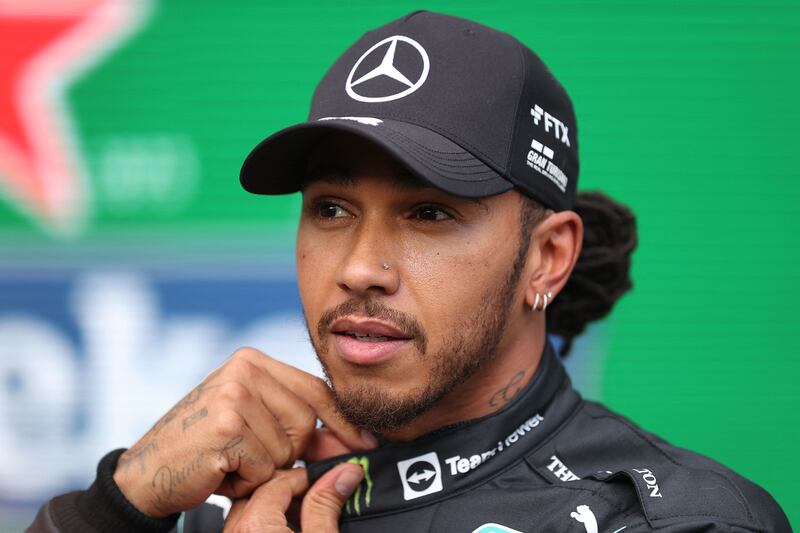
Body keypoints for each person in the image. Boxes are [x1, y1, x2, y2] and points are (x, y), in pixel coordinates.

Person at [29, 10, 790, 533]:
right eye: (330, 208)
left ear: (546, 256)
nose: (360, 267)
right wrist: (117, 504)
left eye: (429, 213)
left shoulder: (679, 517)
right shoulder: (217, 506)